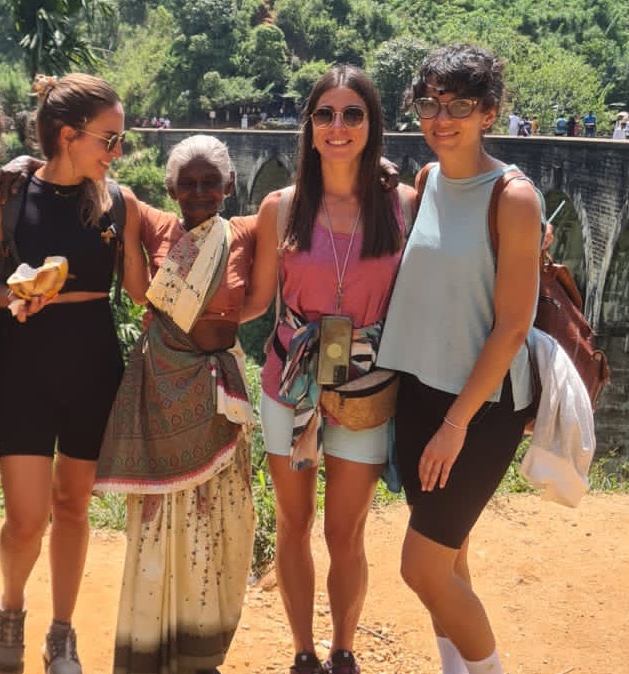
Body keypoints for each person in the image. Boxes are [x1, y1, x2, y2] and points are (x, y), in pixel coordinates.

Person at [377, 44, 542, 674]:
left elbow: (511, 328)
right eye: (430, 103)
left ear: (489, 113)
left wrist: (456, 425)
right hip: (421, 388)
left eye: (461, 105)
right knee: (450, 558)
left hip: (480, 403)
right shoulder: (427, 179)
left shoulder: (513, 197)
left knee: (420, 566)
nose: (442, 117)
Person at [93, 135, 277, 674]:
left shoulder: (245, 232)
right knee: (160, 521)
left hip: (219, 392)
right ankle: (150, 646)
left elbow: (261, 297)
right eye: (188, 183)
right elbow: (98, 180)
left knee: (225, 520)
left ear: (229, 185)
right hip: (160, 388)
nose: (199, 192)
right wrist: (22, 161)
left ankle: (202, 650)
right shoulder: (151, 223)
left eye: (210, 182)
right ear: (171, 187)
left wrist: (210, 328)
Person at [0, 73, 144, 674]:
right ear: (69, 136)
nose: (117, 152)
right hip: (23, 366)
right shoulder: (9, 192)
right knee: (25, 521)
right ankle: (12, 607)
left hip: (92, 367)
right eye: (109, 139)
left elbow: (137, 288)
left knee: (73, 507)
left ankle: (62, 632)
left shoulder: (115, 201)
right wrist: (15, 297)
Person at [257, 65, 413, 674]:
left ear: (372, 125)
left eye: (353, 114)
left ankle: (343, 650)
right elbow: (252, 299)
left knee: (346, 532)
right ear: (310, 127)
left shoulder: (401, 203)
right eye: (326, 114)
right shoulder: (282, 207)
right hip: (289, 383)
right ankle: (302, 651)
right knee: (293, 523)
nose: (339, 126)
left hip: (366, 389)